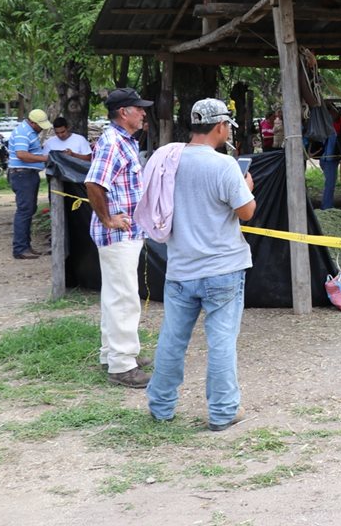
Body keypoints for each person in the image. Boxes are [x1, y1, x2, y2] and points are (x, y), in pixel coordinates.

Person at [147, 98, 255, 432]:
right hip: (223, 268)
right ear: (221, 127)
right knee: (221, 341)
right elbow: (246, 212)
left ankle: (161, 407)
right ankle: (222, 412)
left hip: (180, 267)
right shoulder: (223, 166)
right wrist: (247, 188)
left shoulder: (168, 159)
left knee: (171, 339)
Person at [84, 88, 153, 388]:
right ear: (124, 112)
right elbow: (94, 183)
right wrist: (108, 218)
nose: (143, 113)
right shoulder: (113, 142)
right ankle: (122, 365)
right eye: (138, 109)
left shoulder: (121, 141)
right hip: (118, 233)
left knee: (116, 295)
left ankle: (115, 354)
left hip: (124, 232)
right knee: (124, 297)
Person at [7, 107, 52, 259]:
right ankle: (20, 248)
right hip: (22, 175)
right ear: (32, 122)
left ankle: (25, 245)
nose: (41, 128)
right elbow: (22, 154)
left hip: (27, 174)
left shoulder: (29, 131)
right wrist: (45, 158)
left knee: (29, 210)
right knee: (24, 211)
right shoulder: (23, 133)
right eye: (40, 125)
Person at [319, 107, 341, 210]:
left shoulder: (327, 129)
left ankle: (327, 205)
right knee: (330, 184)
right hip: (328, 159)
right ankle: (326, 207)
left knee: (330, 183)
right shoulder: (329, 130)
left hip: (328, 158)